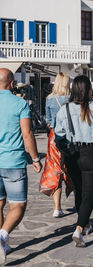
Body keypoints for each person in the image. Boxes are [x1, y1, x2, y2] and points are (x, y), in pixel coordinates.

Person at [55, 75, 93, 247]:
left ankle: (86, 223)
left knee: (79, 191)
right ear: (88, 90)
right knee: (89, 194)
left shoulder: (64, 110)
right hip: (91, 153)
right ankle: (79, 229)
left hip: (72, 155)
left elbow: (59, 136)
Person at [0, 68, 42, 263]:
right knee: (18, 206)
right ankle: (2, 237)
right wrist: (35, 158)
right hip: (13, 162)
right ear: (11, 84)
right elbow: (27, 134)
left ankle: (3, 243)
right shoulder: (20, 103)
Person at [41, 72, 74, 218]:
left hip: (55, 136)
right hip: (70, 136)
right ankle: (79, 203)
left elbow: (48, 120)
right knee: (73, 168)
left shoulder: (49, 99)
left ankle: (57, 207)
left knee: (56, 170)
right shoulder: (72, 99)